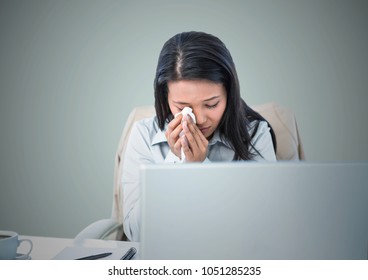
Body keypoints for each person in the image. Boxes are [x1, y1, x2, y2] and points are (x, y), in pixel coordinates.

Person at [122, 31, 277, 241]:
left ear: (229, 95)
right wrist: (177, 163)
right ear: (165, 97)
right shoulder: (143, 134)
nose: (201, 119)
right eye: (183, 107)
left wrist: (201, 167)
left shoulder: (256, 135)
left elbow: (261, 228)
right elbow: (136, 233)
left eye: (212, 104)